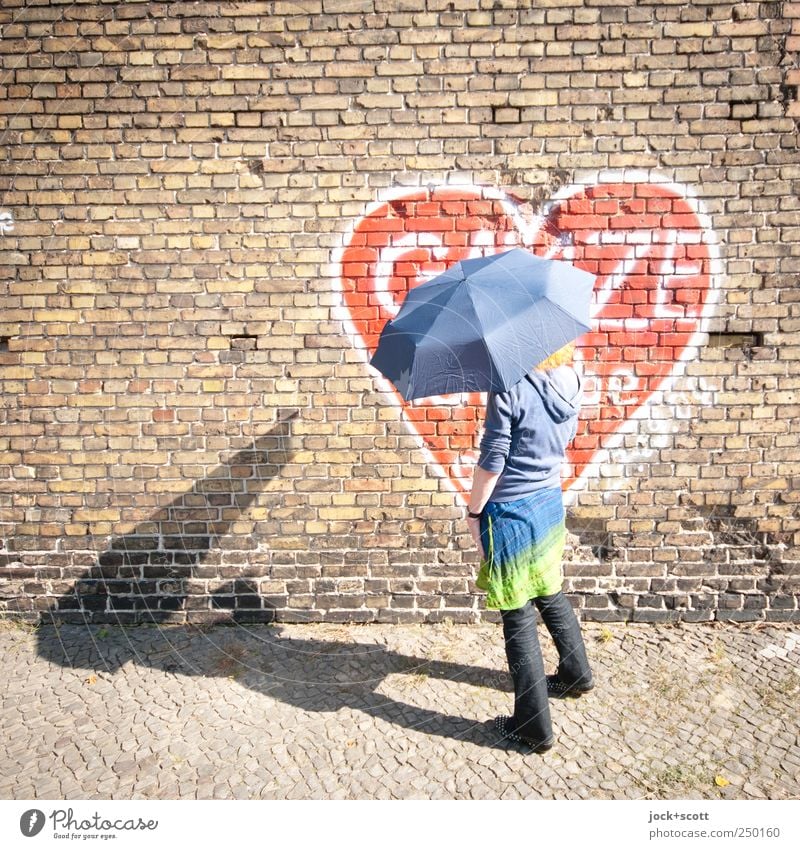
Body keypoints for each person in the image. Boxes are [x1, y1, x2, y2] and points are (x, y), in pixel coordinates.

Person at [465, 342, 594, 753]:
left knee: (517, 615)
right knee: (549, 589)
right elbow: (566, 437)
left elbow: (493, 459)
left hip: (512, 511)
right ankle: (576, 675)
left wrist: (472, 512)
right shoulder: (572, 379)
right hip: (548, 502)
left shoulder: (509, 385)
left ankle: (533, 727)